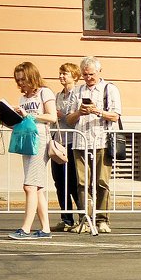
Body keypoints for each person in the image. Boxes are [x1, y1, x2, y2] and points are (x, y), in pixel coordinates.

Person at [66, 57, 121, 234]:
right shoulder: (77, 91)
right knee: (82, 183)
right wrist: (79, 112)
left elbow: (115, 116)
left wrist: (97, 110)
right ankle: (84, 218)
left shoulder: (109, 89)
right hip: (80, 142)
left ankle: (102, 220)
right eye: (85, 74)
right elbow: (68, 119)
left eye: (91, 74)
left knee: (101, 182)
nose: (88, 78)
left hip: (101, 141)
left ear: (99, 72)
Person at [5, 62, 57, 239]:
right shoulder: (23, 98)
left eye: (23, 79)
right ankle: (46, 229)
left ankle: (26, 228)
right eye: (17, 80)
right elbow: (23, 122)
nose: (20, 83)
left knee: (30, 186)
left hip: (40, 139)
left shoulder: (44, 92)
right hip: (27, 140)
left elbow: (52, 117)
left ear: (31, 76)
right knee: (38, 187)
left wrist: (30, 115)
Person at [50, 62, 82, 231]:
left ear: (74, 76)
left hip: (72, 142)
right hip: (58, 142)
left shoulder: (77, 94)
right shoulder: (57, 95)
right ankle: (66, 218)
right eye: (60, 73)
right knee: (59, 181)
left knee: (73, 182)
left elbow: (75, 118)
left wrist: (61, 115)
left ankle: (82, 217)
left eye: (65, 73)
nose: (62, 76)